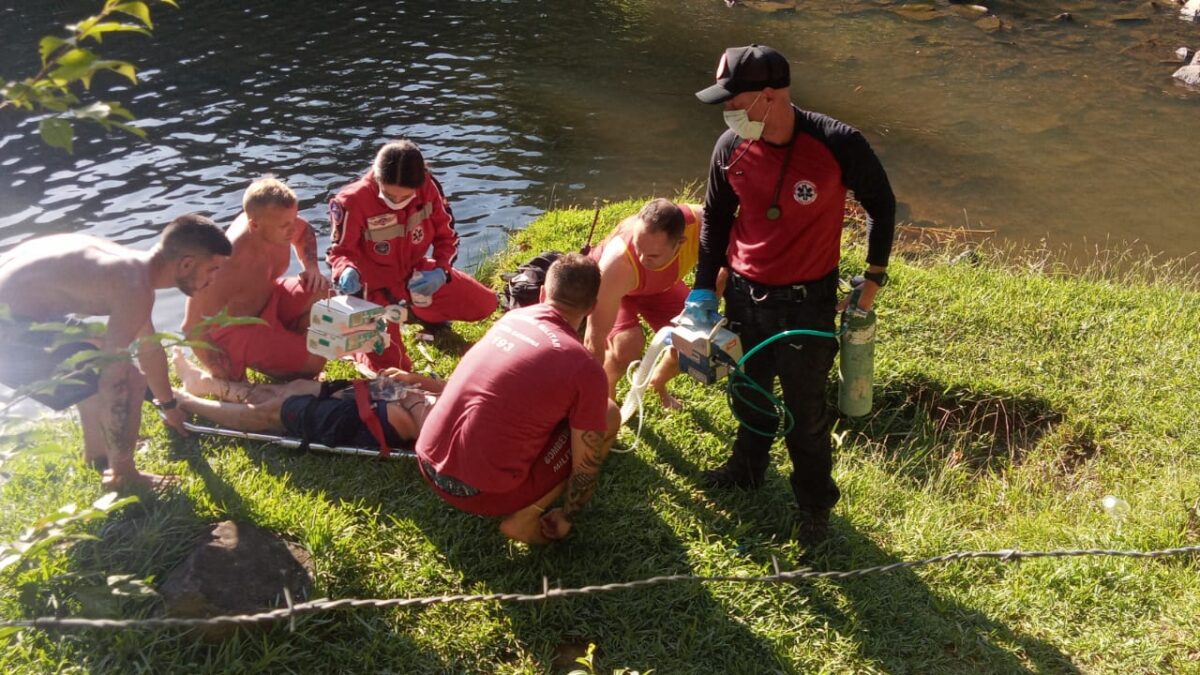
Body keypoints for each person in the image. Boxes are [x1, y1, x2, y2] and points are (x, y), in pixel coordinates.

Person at [689, 44, 896, 542]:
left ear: (769, 96)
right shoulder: (729, 147)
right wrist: (701, 292)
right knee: (748, 391)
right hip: (743, 295)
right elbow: (716, 221)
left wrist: (873, 278)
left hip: (807, 301)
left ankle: (815, 508)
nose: (727, 111)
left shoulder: (837, 142)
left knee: (806, 413)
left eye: (733, 100)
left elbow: (882, 205)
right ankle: (747, 468)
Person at [0, 215, 231, 491]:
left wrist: (168, 406)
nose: (213, 279)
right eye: (213, 269)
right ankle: (123, 476)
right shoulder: (135, 287)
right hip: (8, 329)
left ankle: (98, 455)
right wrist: (128, 392)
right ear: (186, 264)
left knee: (97, 346)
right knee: (127, 377)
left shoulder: (132, 270)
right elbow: (115, 377)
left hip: (22, 312)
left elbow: (149, 346)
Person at [416, 254, 620, 545]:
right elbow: (585, 468)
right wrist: (567, 516)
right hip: (481, 495)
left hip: (427, 465)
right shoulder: (585, 368)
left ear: (542, 293)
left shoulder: (511, 318)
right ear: (592, 308)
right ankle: (524, 519)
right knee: (608, 414)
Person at [327, 140, 498, 374]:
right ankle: (357, 346)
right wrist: (345, 270)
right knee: (393, 368)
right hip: (372, 289)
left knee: (485, 305)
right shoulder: (351, 201)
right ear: (377, 178)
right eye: (389, 195)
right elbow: (339, 253)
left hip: (415, 276)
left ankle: (418, 313)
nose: (396, 202)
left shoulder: (428, 187)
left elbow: (446, 236)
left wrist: (442, 270)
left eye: (404, 197)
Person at [183, 177, 330, 381]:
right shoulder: (223, 264)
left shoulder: (280, 227)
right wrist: (219, 370)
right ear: (255, 224)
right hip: (239, 328)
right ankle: (297, 362)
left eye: (293, 219)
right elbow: (191, 326)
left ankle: (290, 357)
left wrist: (312, 267)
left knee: (322, 290)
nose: (292, 228)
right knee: (316, 361)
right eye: (285, 225)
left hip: (271, 301)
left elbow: (304, 231)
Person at [584, 198, 718, 408]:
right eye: (638, 248)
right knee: (627, 346)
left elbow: (730, 260)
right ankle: (606, 402)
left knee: (694, 342)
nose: (642, 258)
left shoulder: (702, 225)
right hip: (619, 287)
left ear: (680, 243)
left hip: (660, 288)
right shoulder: (618, 263)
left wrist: (711, 300)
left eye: (653, 255)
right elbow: (594, 338)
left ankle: (657, 382)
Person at [171, 349, 441, 449]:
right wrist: (416, 381)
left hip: (395, 421)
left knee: (277, 412)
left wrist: (411, 402)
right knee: (300, 387)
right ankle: (207, 384)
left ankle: (184, 401)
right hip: (402, 395)